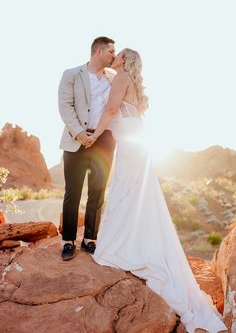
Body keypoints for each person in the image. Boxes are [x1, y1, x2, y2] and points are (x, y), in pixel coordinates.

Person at [86, 48, 228, 333]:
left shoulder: (121, 77)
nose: (115, 55)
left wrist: (94, 132)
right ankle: (135, 243)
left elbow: (112, 110)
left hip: (130, 144)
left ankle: (122, 247)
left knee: (125, 194)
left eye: (119, 53)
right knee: (133, 195)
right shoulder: (132, 82)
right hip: (136, 143)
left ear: (125, 60)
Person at [58, 36, 116, 261]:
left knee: (98, 192)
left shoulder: (112, 79)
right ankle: (68, 241)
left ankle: (90, 240)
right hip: (76, 139)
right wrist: (79, 133)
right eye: (111, 51)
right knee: (72, 193)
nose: (114, 55)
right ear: (98, 51)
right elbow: (65, 106)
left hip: (104, 141)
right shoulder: (71, 74)